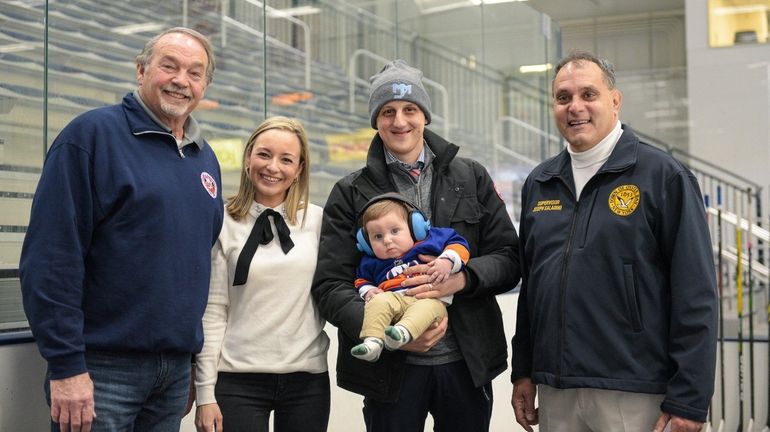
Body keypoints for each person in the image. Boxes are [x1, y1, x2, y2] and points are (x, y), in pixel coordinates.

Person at [19, 27, 223, 431]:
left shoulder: (205, 159)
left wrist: (184, 364)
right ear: (141, 70)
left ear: (204, 86)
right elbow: (51, 258)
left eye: (195, 73)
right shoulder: (90, 137)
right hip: (100, 370)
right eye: (170, 66)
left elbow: (195, 263)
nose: (182, 80)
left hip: (172, 374)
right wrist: (66, 366)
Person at [510, 50, 718, 432]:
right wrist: (523, 370)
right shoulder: (540, 183)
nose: (575, 107)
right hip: (557, 390)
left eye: (588, 94)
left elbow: (696, 294)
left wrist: (690, 398)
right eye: (563, 97)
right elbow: (533, 287)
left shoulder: (663, 177)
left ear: (615, 100)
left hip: (635, 390)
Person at [312, 59, 520, 431]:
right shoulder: (349, 192)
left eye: (410, 109)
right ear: (376, 120)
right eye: (387, 111)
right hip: (390, 373)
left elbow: (508, 259)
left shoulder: (469, 176)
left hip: (465, 363)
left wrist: (462, 279)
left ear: (424, 115)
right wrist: (386, 334)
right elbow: (330, 286)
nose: (399, 121)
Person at [194, 116, 330, 432]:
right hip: (236, 381)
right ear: (247, 158)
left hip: (306, 380)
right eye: (264, 154)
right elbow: (213, 311)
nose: (273, 167)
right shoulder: (222, 220)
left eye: (286, 159)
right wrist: (204, 393)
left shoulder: (318, 221)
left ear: (299, 170)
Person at [351, 193, 470, 362]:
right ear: (366, 243)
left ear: (415, 229)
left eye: (394, 231)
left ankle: (401, 333)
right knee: (377, 302)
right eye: (377, 236)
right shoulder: (370, 262)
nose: (387, 240)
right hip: (394, 300)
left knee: (425, 308)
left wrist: (447, 261)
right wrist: (369, 291)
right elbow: (361, 281)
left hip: (431, 299)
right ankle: (372, 342)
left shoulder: (428, 242)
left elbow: (458, 244)